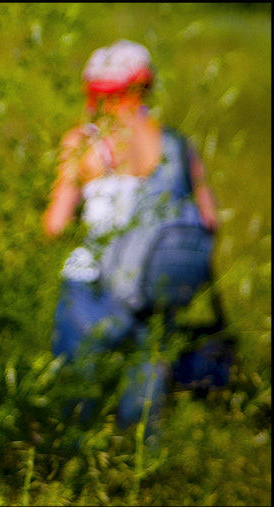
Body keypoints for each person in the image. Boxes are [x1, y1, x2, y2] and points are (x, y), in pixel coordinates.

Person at [43, 40, 228, 428]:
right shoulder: (178, 145)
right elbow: (210, 221)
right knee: (142, 413)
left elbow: (55, 225)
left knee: (76, 403)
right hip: (156, 292)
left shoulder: (85, 142)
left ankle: (71, 458)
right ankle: (139, 462)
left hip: (93, 287)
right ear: (146, 84)